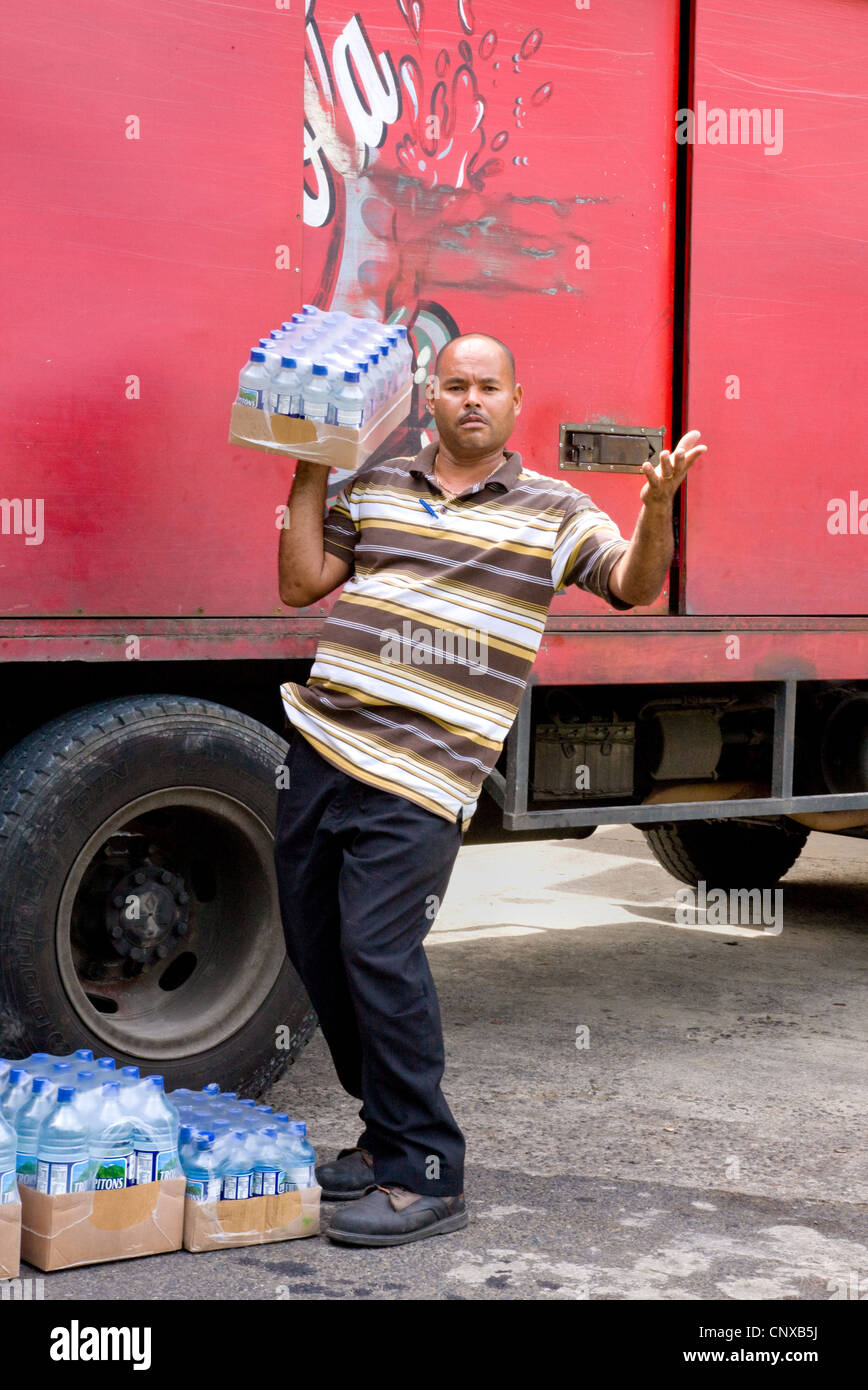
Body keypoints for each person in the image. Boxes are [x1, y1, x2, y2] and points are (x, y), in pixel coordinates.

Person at [274, 332, 707, 1247]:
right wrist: (312, 469)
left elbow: (632, 581)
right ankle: (384, 1129)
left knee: (378, 956)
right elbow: (300, 581)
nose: (472, 399)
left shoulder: (555, 510)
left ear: (517, 401)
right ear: (430, 398)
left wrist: (659, 508)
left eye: (489, 387)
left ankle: (427, 1171)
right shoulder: (377, 488)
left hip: (426, 773)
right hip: (324, 745)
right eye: (456, 385)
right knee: (318, 950)